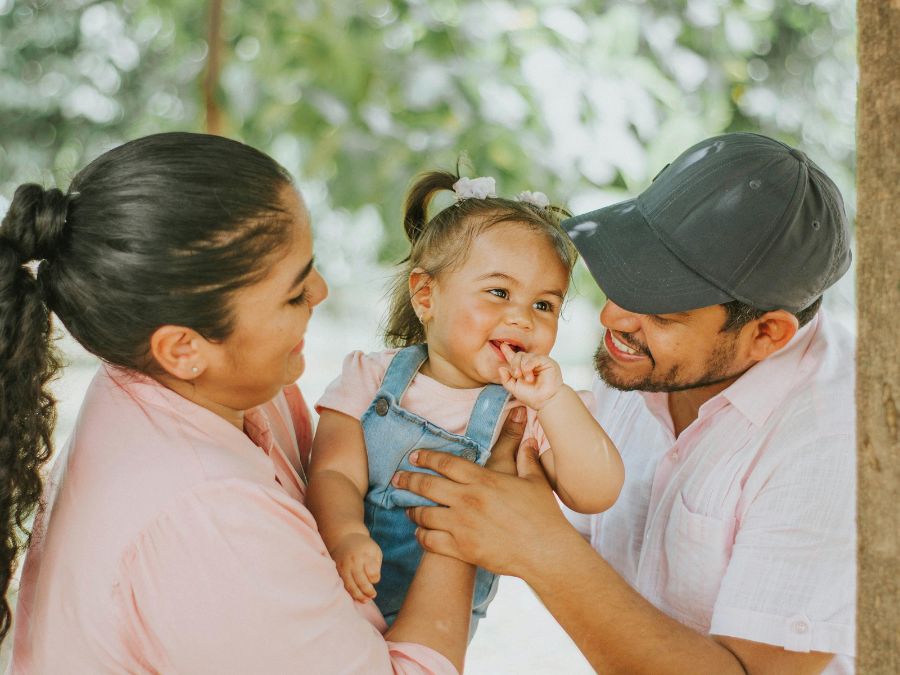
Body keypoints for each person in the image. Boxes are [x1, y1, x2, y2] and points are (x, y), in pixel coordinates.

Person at [2, 132, 501, 673]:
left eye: (311, 264)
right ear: (183, 347)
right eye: (293, 292)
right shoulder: (209, 517)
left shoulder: (208, 383)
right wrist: (463, 517)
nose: (322, 291)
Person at [397, 132, 855, 674]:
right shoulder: (647, 363)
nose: (612, 318)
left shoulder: (837, 446)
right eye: (627, 276)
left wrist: (544, 550)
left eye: (662, 311)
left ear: (766, 334)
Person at [306, 172, 625, 633]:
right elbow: (333, 471)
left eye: (544, 305)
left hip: (441, 621)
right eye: (499, 292)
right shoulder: (371, 376)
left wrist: (554, 401)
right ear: (426, 295)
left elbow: (596, 493)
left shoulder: (530, 410)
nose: (521, 317)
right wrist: (345, 534)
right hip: (340, 588)